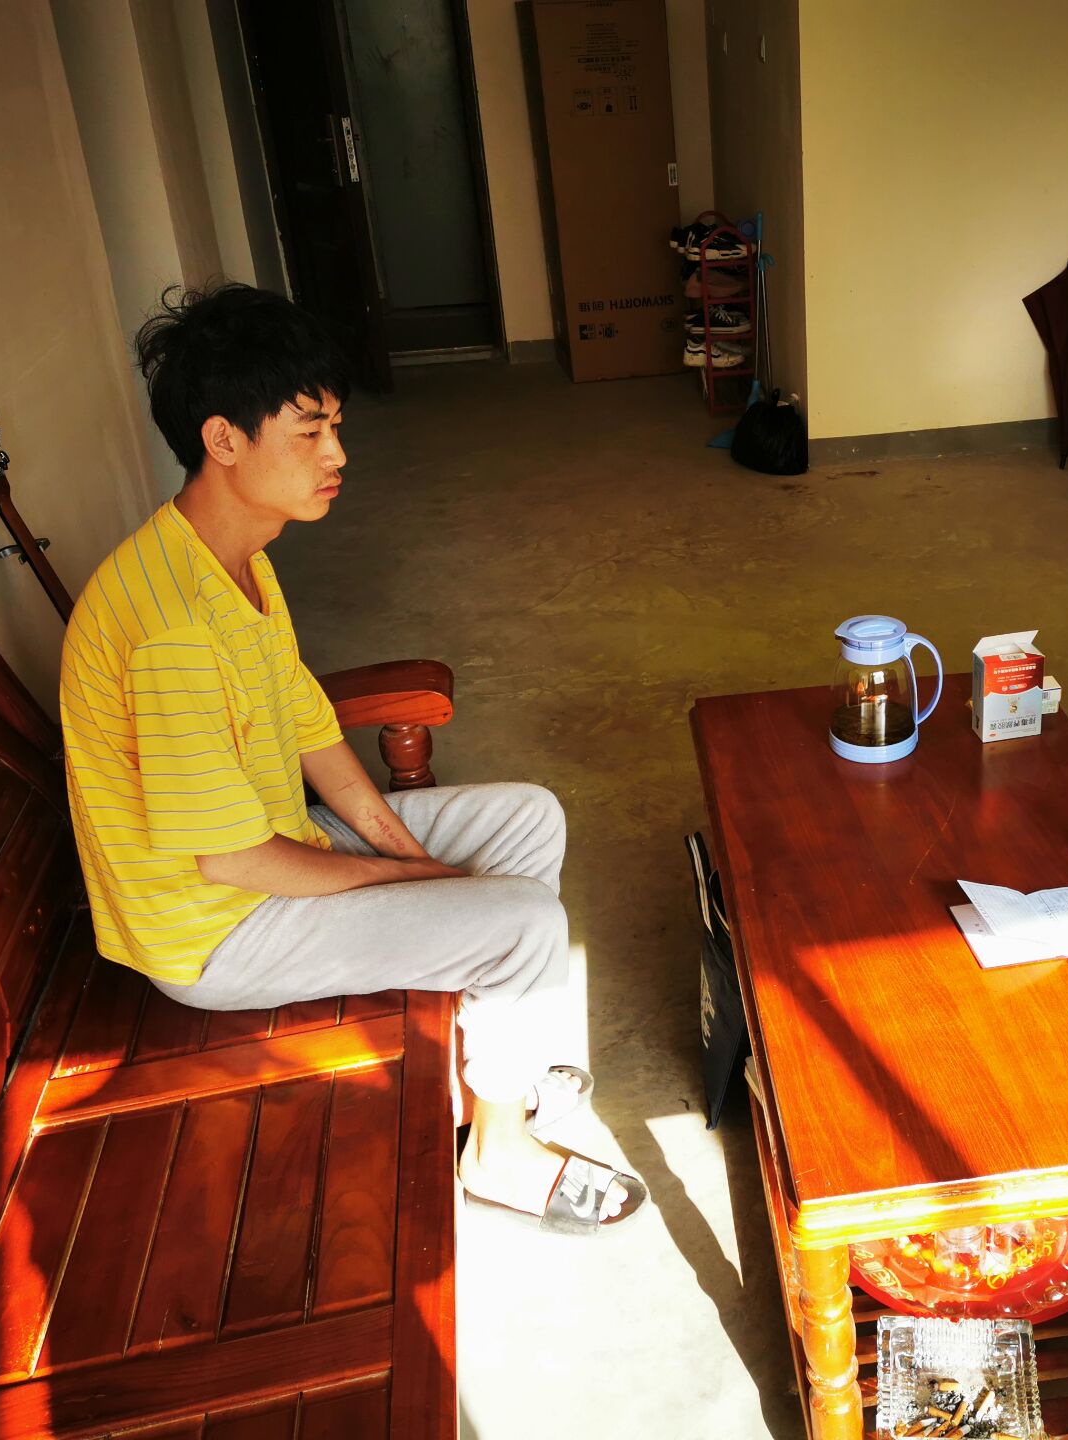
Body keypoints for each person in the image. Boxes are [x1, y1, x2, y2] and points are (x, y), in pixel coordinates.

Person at [59, 282, 644, 1235]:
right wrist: (409, 879)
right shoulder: (171, 627)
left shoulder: (236, 558)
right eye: (308, 431)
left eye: (335, 426)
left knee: (530, 816)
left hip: (275, 844)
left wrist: (411, 860)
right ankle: (499, 1153)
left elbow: (309, 728)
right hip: (216, 932)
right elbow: (231, 862)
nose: (337, 455)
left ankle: (497, 1060)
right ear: (223, 439)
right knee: (525, 921)